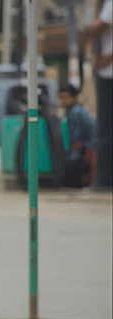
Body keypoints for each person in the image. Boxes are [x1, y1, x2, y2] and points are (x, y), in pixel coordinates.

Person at [85, 0, 112, 189]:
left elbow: (99, 26)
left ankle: (104, 181)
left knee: (106, 129)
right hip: (106, 70)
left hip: (109, 73)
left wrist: (86, 29)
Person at [58, 84, 97, 187]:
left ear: (74, 98)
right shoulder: (77, 110)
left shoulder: (74, 112)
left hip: (87, 150)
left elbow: (75, 142)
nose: (62, 101)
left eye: (65, 97)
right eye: (60, 97)